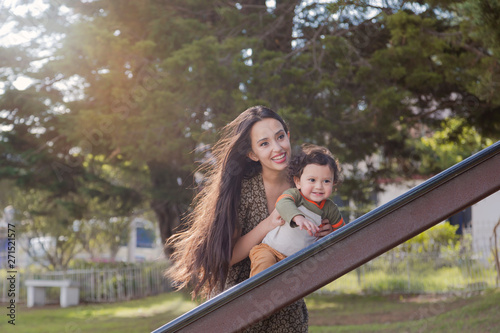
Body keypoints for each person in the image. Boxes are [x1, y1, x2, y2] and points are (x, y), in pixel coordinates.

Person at [166, 106, 334, 332]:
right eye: (264, 143)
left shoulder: (307, 185)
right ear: (252, 154)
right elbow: (223, 259)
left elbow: (306, 251)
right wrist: (268, 224)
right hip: (237, 308)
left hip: (284, 308)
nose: (277, 148)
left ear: (288, 136)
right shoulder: (240, 191)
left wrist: (325, 236)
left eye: (280, 137)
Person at [249, 144, 345, 277]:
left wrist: (331, 234)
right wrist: (298, 217)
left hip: (295, 262)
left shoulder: (330, 208)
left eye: (326, 181)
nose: (319, 186)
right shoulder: (295, 195)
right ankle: (255, 295)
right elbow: (283, 203)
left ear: (333, 184)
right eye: (312, 180)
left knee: (292, 283)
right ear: (298, 182)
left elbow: (343, 233)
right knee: (264, 266)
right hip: (269, 249)